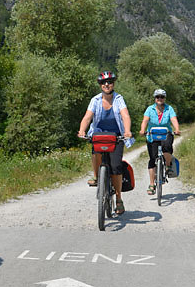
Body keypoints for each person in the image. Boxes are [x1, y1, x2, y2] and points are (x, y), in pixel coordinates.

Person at [77, 71, 133, 215]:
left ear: (113, 84)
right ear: (100, 85)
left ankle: (119, 199)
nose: (106, 84)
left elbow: (125, 115)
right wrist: (82, 130)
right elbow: (87, 117)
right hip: (100, 134)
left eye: (109, 82)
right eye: (103, 83)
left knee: (115, 166)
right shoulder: (95, 100)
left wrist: (127, 131)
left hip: (116, 136)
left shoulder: (118, 99)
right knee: (96, 152)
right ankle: (97, 177)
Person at [139, 88, 181, 195]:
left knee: (166, 149)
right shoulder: (150, 109)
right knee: (152, 159)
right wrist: (142, 130)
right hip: (152, 135)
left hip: (165, 133)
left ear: (164, 98)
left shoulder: (169, 109)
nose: (160, 99)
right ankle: (152, 184)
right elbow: (145, 120)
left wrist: (176, 129)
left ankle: (167, 165)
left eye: (162, 97)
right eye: (158, 97)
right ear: (155, 98)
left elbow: (173, 119)